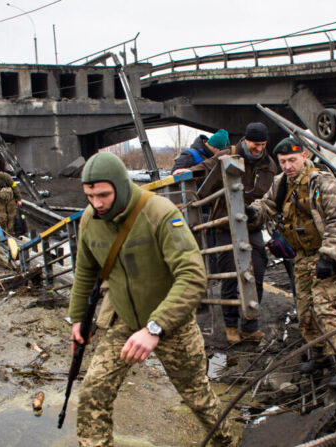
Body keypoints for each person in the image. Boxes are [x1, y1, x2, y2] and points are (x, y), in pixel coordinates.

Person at [69, 152, 236, 447]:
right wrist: (76, 320)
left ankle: (226, 442)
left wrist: (155, 327)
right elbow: (84, 272)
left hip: (171, 323)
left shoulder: (159, 213)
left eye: (104, 195)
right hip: (121, 318)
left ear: (120, 186)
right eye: (90, 196)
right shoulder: (89, 220)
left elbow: (193, 276)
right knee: (93, 391)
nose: (97, 203)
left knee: (197, 397)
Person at [247, 137, 336, 389]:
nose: (287, 166)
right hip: (302, 255)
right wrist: (253, 212)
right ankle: (318, 354)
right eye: (282, 162)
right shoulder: (282, 183)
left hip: (327, 254)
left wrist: (328, 255)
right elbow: (267, 204)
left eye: (292, 160)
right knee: (305, 309)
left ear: (304, 156)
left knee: (323, 309)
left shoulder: (323, 183)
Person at [190, 122, 278, 344]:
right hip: (225, 223)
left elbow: (270, 195)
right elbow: (206, 169)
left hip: (251, 223)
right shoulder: (228, 154)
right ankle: (230, 326)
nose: (258, 149)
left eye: (262, 144)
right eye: (255, 144)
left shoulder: (269, 165)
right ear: (245, 140)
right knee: (231, 274)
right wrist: (187, 173)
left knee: (256, 271)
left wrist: (258, 212)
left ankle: (250, 326)